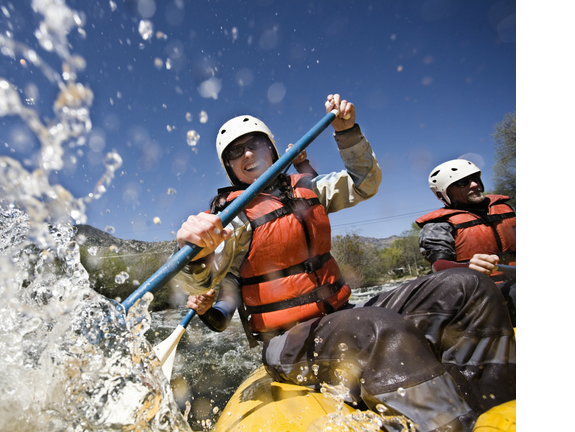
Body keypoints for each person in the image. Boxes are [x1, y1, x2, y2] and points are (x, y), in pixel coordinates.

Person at [172, 95, 515, 431]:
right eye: (235, 152)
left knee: (469, 287)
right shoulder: (232, 219)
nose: (247, 154)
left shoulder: (307, 189)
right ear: (229, 167)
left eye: (255, 144)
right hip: (287, 341)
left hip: (341, 314)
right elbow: (204, 280)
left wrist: (347, 133)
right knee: (375, 327)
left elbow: (364, 184)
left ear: (272, 149)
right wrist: (194, 250)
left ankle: (487, 408)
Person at [415, 159, 516, 325]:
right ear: (442, 194)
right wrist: (468, 267)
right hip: (480, 294)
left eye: (476, 178)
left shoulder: (507, 209)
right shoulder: (437, 225)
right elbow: (438, 265)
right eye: (463, 183)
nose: (475, 184)